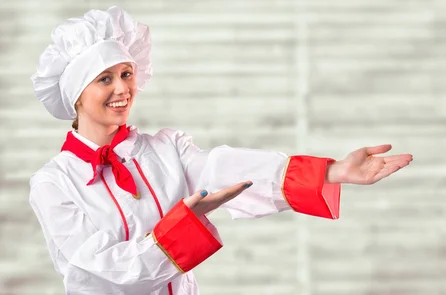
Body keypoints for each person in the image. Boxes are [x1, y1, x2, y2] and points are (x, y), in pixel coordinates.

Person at [29, 6, 413, 295]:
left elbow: (226, 168)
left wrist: (331, 172)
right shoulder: (54, 184)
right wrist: (181, 227)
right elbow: (101, 273)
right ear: (76, 94)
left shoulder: (165, 149)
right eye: (105, 79)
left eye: (127, 74)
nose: (122, 89)